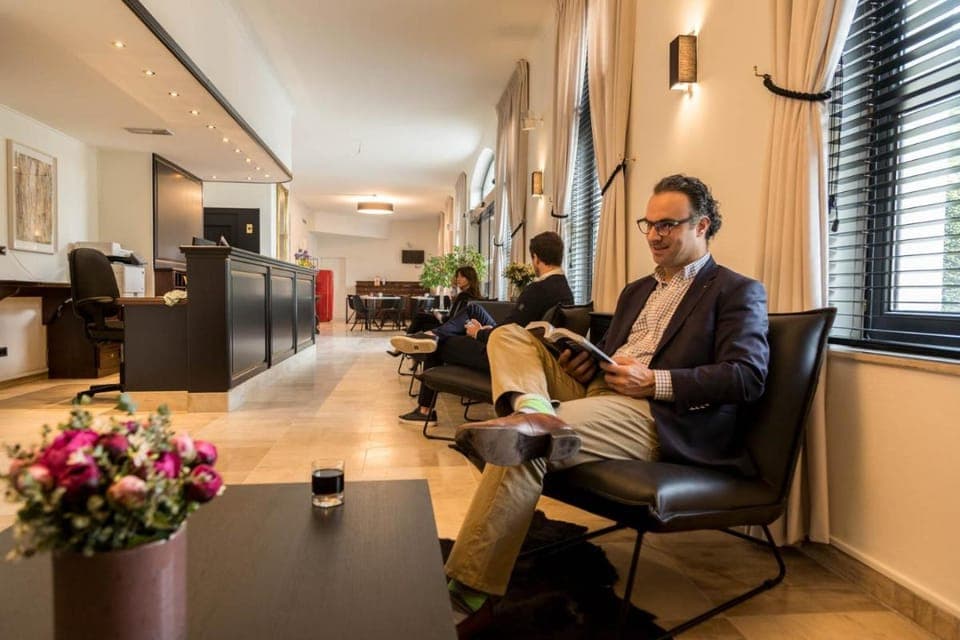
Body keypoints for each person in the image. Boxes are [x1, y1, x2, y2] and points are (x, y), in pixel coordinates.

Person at [444, 175, 770, 637]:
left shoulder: (736, 290)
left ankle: (468, 592)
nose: (654, 234)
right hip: (600, 391)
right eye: (648, 224)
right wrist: (582, 365)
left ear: (702, 226)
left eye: (667, 225)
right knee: (509, 335)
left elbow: (747, 375)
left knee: (523, 443)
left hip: (655, 413)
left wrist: (654, 381)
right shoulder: (636, 290)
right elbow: (610, 355)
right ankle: (534, 408)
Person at [392, 232, 574, 425]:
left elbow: (510, 331)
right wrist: (488, 329)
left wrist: (480, 333)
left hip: (505, 354)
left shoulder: (538, 290)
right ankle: (432, 335)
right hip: (516, 344)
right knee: (474, 309)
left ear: (535, 258)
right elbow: (517, 327)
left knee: (441, 343)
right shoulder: (564, 289)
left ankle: (425, 409)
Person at [390, 266, 480, 352]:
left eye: (462, 276)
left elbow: (450, 320)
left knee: (420, 319)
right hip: (460, 329)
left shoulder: (463, 296)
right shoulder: (477, 296)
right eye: (457, 276)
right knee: (421, 318)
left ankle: (405, 345)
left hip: (451, 328)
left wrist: (437, 314)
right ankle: (410, 345)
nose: (458, 279)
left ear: (470, 279)